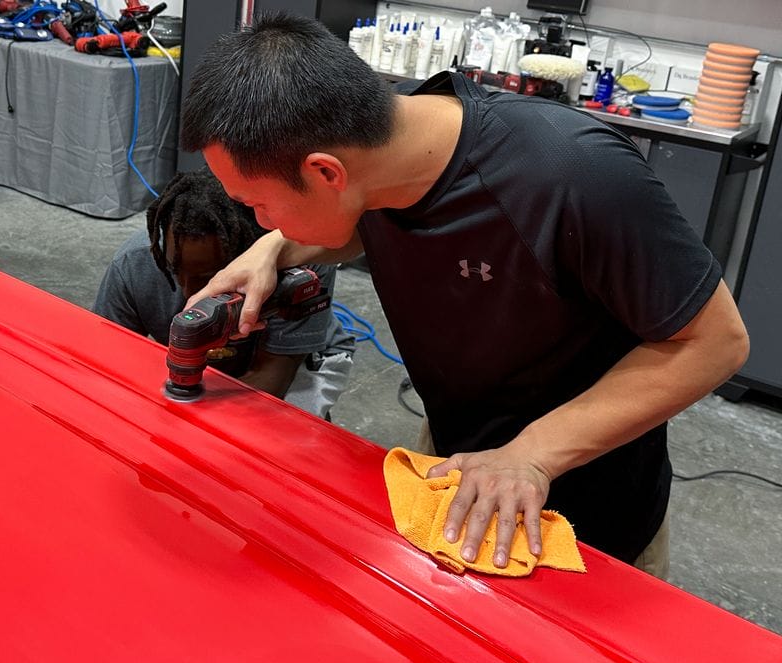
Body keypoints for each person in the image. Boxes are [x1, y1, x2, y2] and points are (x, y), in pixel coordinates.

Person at [179, 13, 749, 577]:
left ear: (327, 174)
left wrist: (531, 455)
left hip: (588, 501)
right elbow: (360, 215)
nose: (259, 220)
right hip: (460, 457)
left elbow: (716, 342)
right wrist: (272, 248)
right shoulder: (382, 151)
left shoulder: (573, 176)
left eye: (257, 204)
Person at [93, 169, 356, 419]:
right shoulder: (133, 266)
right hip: (202, 369)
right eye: (175, 270)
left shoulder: (302, 267)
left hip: (294, 364)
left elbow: (274, 379)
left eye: (209, 278)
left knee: (278, 438)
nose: (189, 292)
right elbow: (104, 364)